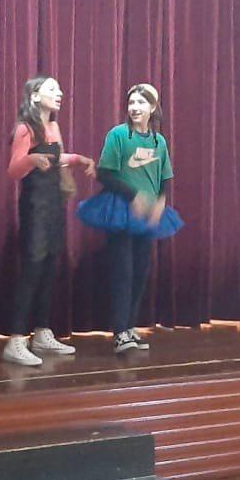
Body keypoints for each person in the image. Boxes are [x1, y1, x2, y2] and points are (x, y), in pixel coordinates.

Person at [77, 82, 183, 353]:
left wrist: (160, 202)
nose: (135, 107)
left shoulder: (159, 141)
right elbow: (105, 173)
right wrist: (133, 195)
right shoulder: (118, 135)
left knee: (140, 272)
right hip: (120, 211)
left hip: (146, 215)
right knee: (122, 272)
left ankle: (129, 326)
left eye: (141, 102)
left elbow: (164, 176)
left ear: (153, 107)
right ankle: (120, 331)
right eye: (131, 102)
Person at [3, 75, 95, 365]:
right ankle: (16, 340)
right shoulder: (25, 128)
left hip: (54, 202)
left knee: (49, 266)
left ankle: (42, 332)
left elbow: (57, 158)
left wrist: (78, 159)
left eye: (59, 89)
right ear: (34, 96)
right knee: (32, 268)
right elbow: (13, 170)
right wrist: (31, 160)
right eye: (52, 89)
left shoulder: (53, 127)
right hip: (35, 205)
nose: (60, 93)